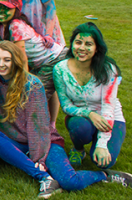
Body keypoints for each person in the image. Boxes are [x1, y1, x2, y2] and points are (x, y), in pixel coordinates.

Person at [0, 41, 128, 199]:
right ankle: (44, 178)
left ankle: (105, 175)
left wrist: (39, 157)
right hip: (15, 141)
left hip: (45, 142)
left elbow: (38, 126)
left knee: (70, 182)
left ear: (16, 60)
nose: (1, 64)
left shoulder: (32, 85)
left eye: (7, 60)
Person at [54, 23, 126, 169]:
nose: (81, 48)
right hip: (82, 117)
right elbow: (66, 105)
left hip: (110, 116)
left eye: (88, 44)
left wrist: (102, 144)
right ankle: (78, 149)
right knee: (78, 127)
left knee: (105, 163)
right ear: (72, 43)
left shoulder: (108, 70)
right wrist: (90, 114)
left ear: (96, 48)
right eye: (78, 42)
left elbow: (108, 106)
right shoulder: (60, 69)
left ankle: (98, 141)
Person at [0, 0, 66, 124]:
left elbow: (21, 59)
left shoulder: (15, 25)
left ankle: (41, 128)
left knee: (34, 94)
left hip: (53, 59)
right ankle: (50, 124)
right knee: (40, 90)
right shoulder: (0, 27)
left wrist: (23, 83)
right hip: (43, 62)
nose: (1, 12)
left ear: (16, 11)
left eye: (7, 9)